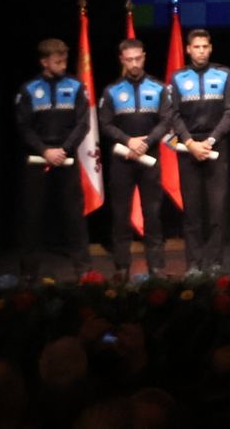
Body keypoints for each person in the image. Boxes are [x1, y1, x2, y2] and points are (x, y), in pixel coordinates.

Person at [13, 38, 93, 279]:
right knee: (33, 215)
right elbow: (23, 126)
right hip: (38, 160)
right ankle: (29, 273)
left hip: (66, 159)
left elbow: (83, 123)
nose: (63, 64)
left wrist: (64, 150)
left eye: (65, 60)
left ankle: (83, 269)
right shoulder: (28, 89)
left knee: (74, 215)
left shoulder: (76, 86)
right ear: (44, 62)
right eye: (58, 61)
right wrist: (45, 151)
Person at [164, 29, 230, 273]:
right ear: (188, 49)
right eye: (196, 47)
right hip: (188, 149)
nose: (201, 51)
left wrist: (212, 140)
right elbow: (172, 114)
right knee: (192, 212)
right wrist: (190, 143)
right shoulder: (177, 77)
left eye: (205, 46)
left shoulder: (224, 74)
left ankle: (215, 263)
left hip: (216, 148)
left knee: (217, 211)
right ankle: (194, 263)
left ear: (210, 48)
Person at [99, 38, 169, 279]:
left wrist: (146, 143)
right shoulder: (112, 90)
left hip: (150, 159)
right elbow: (105, 123)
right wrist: (128, 141)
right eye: (129, 60)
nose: (135, 63)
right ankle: (121, 267)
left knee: (153, 214)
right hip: (122, 160)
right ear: (122, 60)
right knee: (120, 214)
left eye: (138, 58)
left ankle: (157, 267)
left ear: (144, 57)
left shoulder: (159, 88)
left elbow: (166, 121)